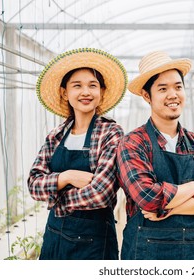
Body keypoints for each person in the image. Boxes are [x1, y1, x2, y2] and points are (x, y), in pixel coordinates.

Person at [116, 51, 194, 260]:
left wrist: (169, 210)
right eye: (163, 88)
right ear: (147, 96)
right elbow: (148, 199)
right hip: (147, 252)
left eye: (178, 86)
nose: (173, 94)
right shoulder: (133, 143)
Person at [27, 48, 127, 260]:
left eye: (93, 85)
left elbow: (101, 193)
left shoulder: (111, 133)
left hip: (95, 240)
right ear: (65, 93)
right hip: (55, 236)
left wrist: (57, 199)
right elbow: (34, 184)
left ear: (101, 92)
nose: (86, 92)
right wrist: (67, 177)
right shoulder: (55, 135)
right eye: (77, 86)